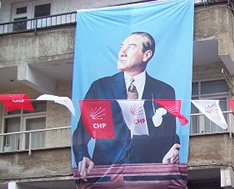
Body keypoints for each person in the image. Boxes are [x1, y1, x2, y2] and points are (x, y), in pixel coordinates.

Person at [72, 31, 181, 180]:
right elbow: (82, 131)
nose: (122, 52)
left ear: (146, 55)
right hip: (106, 176)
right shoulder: (101, 87)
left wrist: (172, 150)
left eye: (130, 47)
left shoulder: (164, 90)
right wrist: (82, 154)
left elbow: (169, 133)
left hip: (148, 176)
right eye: (121, 47)